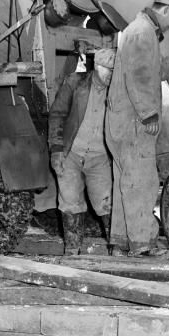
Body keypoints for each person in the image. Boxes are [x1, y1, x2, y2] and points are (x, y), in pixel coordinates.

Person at [106, 0, 169, 258]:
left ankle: (121, 243)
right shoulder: (142, 32)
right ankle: (143, 245)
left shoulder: (140, 31)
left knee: (127, 183)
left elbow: (156, 70)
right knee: (143, 182)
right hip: (134, 121)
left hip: (123, 120)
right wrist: (148, 114)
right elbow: (139, 76)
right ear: (167, 10)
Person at [48, 48, 116, 255]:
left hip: (100, 158)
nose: (112, 76)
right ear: (97, 66)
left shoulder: (117, 91)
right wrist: (56, 150)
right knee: (70, 202)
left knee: (106, 203)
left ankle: (116, 250)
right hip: (71, 155)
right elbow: (57, 115)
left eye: (115, 71)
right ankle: (72, 250)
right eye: (108, 71)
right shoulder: (75, 82)